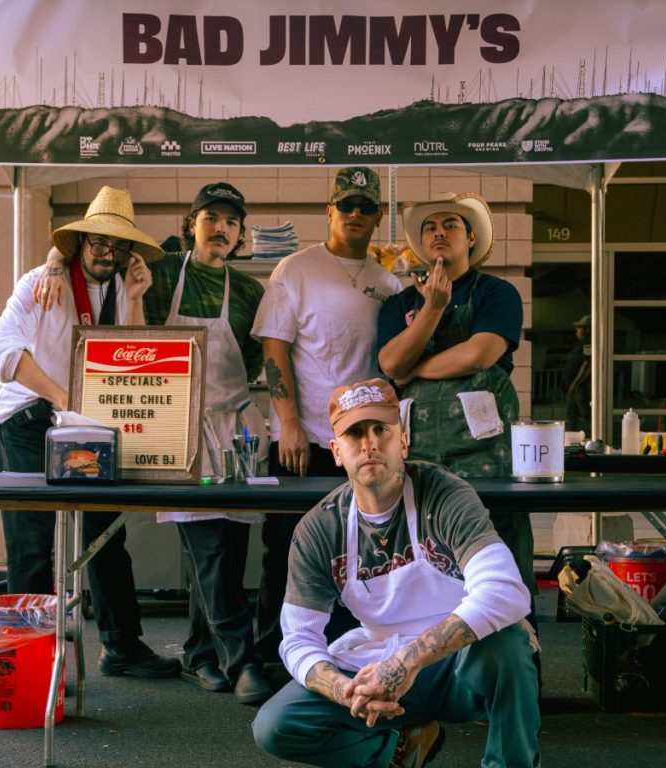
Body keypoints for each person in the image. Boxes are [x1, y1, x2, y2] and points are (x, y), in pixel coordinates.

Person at [33, 183, 272, 704]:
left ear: (240, 234)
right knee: (209, 545)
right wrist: (52, 261)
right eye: (210, 217)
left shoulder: (249, 291)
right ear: (192, 223)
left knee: (229, 549)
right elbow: (97, 250)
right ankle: (241, 661)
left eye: (231, 222)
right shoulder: (159, 271)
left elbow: (253, 360)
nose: (220, 228)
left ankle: (201, 654)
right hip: (179, 425)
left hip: (234, 427)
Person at [251, 378, 540, 768]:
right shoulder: (320, 528)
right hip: (375, 666)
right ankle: (399, 750)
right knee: (276, 725)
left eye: (380, 430)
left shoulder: (444, 494)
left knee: (508, 640)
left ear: (402, 442)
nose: (369, 444)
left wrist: (407, 662)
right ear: (336, 452)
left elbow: (505, 591)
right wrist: (344, 690)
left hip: (457, 669)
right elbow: (298, 637)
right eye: (355, 433)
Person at [0, 186, 180, 679]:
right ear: (81, 242)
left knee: (105, 533)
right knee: (32, 543)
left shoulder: (121, 287)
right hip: (27, 419)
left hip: (82, 425)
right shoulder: (41, 281)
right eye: (100, 243)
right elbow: (1, 352)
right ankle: (28, 659)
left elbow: (133, 362)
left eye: (119, 246)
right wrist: (60, 396)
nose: (107, 254)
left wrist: (135, 300)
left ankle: (122, 646)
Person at [250, 166, 403, 663]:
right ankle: (272, 656)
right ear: (329, 212)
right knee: (285, 549)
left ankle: (342, 657)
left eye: (365, 206)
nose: (355, 213)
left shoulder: (388, 282)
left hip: (361, 446)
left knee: (357, 553)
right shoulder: (295, 269)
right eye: (346, 205)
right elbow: (274, 349)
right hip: (306, 440)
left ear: (378, 216)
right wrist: (289, 424)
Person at [375, 192, 535, 601]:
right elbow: (390, 363)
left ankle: (519, 642)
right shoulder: (399, 304)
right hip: (419, 456)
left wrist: (414, 368)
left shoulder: (497, 293)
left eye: (451, 225)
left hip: (488, 457)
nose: (439, 233)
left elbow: (479, 353)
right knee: (428, 569)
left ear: (471, 238)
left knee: (501, 566)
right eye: (430, 227)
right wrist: (432, 308)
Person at [562, 314, 591, 433]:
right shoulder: (581, 344)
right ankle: (572, 436)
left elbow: (587, 366)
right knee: (571, 413)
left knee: (583, 413)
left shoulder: (588, 343)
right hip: (575, 387)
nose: (577, 330)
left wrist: (575, 384)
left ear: (586, 329)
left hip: (580, 387)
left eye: (579, 327)